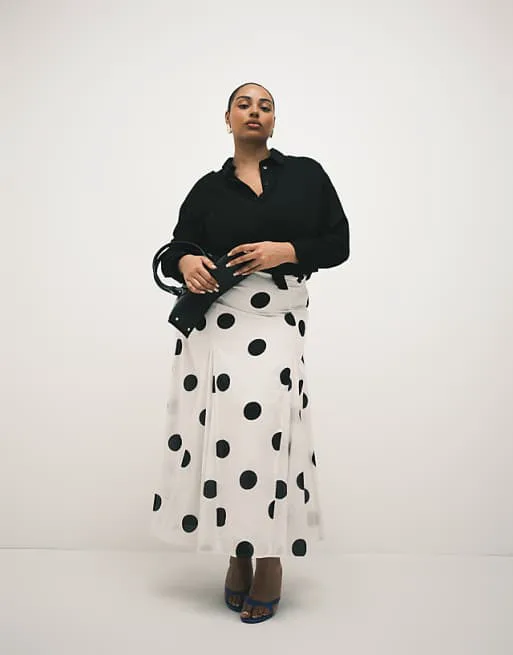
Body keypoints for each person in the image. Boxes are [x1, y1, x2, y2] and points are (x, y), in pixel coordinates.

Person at [150, 82, 350, 623]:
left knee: (269, 435)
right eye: (244, 104)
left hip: (276, 318)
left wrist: (287, 250)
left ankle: (270, 558)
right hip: (219, 323)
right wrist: (186, 262)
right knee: (227, 439)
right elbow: (176, 248)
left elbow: (339, 244)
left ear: (274, 120)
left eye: (265, 105)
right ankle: (236, 552)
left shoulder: (306, 175)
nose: (254, 112)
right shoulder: (208, 189)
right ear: (228, 118)